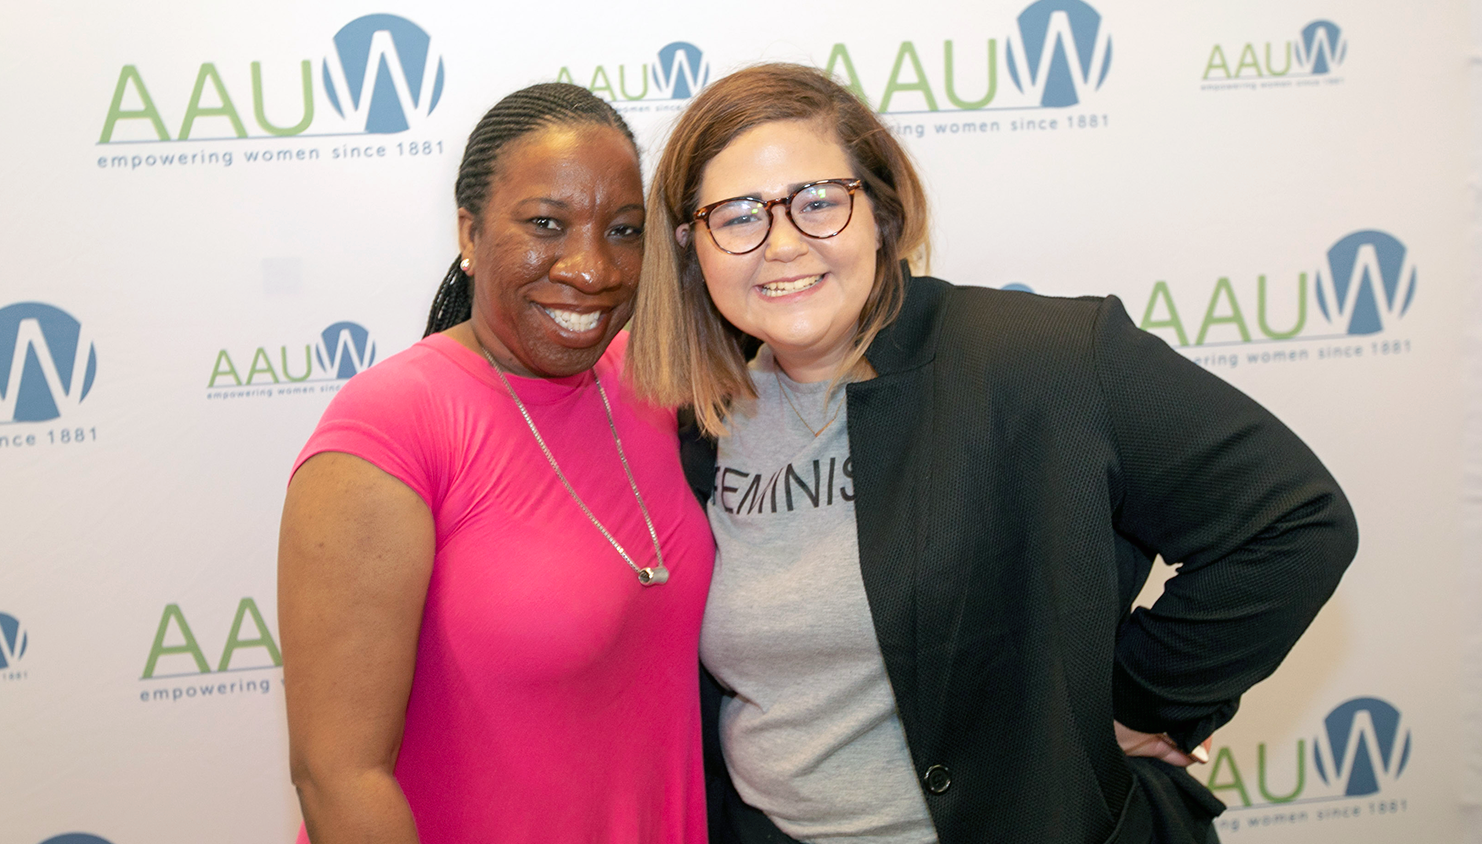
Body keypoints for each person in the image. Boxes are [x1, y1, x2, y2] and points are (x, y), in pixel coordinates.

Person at [627, 64, 1358, 844]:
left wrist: (1138, 702)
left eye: (817, 203)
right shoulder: (698, 423)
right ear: (690, 249)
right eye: (737, 216)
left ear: (879, 210)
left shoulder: (1046, 361)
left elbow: (1293, 522)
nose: (781, 244)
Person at [278, 83, 715, 844]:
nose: (591, 267)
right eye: (547, 224)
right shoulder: (393, 422)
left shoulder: (649, 384)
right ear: (470, 232)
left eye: (622, 230)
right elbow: (337, 776)